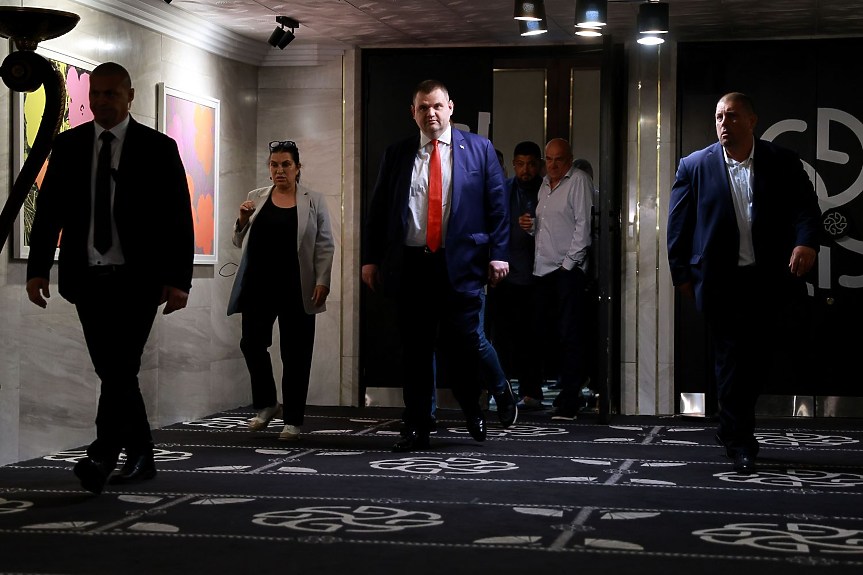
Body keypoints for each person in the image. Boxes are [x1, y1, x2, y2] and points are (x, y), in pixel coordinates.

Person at [25, 62, 194, 495]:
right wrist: (38, 268)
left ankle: (102, 455)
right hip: (88, 279)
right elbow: (49, 211)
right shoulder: (69, 145)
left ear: (129, 95)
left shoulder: (158, 148)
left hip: (138, 280)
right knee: (114, 370)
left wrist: (180, 279)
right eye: (95, 94)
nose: (101, 101)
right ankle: (141, 454)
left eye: (110, 94)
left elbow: (178, 217)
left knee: (119, 368)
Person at [667, 92, 821, 472]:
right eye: (719, 116)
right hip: (721, 281)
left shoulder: (781, 161)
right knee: (731, 358)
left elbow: (806, 208)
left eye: (732, 116)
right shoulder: (694, 166)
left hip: (768, 279)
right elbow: (678, 225)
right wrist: (680, 273)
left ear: (752, 121)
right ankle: (740, 440)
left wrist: (806, 243)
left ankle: (729, 426)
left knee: (757, 360)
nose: (724, 123)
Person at [362, 79, 513, 452]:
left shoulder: (478, 149)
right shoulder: (397, 154)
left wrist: (499, 253)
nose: (431, 113)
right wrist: (370, 259)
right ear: (413, 112)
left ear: (450, 108)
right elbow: (378, 210)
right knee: (415, 348)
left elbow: (497, 207)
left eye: (437, 106)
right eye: (423, 107)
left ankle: (472, 408)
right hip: (412, 264)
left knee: (463, 344)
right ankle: (417, 424)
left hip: (461, 263)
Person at [227, 140, 334, 442]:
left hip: (297, 287)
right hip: (258, 286)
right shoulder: (256, 197)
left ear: (297, 168)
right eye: (274, 165)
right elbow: (238, 240)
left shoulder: (313, 200)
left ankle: (293, 420)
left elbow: (325, 244)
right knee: (251, 344)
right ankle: (267, 403)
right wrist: (242, 220)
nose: (279, 170)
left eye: (286, 164)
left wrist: (323, 280)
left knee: (296, 354)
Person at [527, 138, 593, 420]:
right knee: (550, 335)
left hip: (566, 271)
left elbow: (583, 227)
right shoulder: (544, 184)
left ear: (570, 159)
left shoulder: (578, 181)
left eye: (559, 159)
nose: (553, 165)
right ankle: (565, 393)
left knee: (570, 335)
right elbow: (550, 228)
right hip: (543, 270)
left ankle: (570, 401)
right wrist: (531, 227)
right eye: (550, 159)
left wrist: (568, 266)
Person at [487, 141, 545, 410]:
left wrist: (536, 225)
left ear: (539, 165)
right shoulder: (504, 189)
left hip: (537, 274)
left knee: (533, 337)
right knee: (503, 338)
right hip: (505, 275)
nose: (526, 170)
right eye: (520, 164)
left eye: (531, 164)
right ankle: (503, 391)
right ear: (513, 164)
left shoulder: (547, 190)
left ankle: (532, 392)